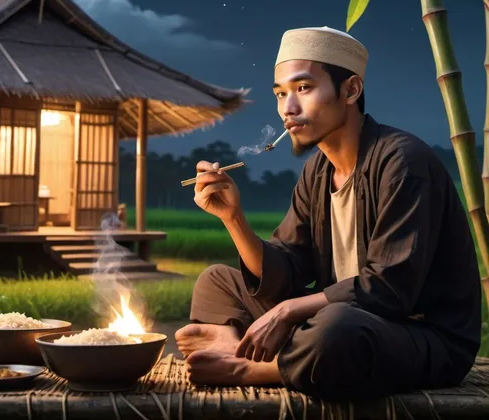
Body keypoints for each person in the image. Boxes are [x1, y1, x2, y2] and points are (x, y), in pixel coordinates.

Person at [175, 26, 482, 400]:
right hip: (344, 311)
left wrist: (289, 310)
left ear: (351, 90)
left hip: (417, 334)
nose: (288, 108)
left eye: (303, 88)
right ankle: (232, 343)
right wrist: (232, 218)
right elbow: (287, 266)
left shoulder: (403, 162)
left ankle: (249, 366)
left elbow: (390, 290)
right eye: (280, 93)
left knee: (336, 331)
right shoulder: (317, 171)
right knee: (217, 281)